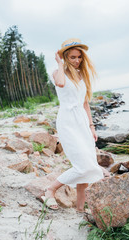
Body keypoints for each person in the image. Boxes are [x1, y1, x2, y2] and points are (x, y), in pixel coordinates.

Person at [41, 38, 111, 212]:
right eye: (72, 57)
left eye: (79, 57)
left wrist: (92, 126)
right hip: (67, 121)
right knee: (83, 166)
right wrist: (60, 63)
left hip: (82, 122)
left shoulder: (82, 75)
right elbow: (60, 83)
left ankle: (80, 208)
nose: (77, 60)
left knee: (87, 167)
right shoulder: (58, 72)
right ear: (65, 56)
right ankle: (50, 190)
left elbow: (85, 104)